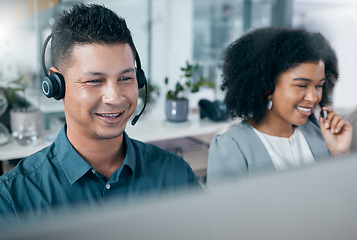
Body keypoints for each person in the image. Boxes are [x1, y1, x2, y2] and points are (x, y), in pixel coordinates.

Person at [0, 4, 200, 226]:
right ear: (56, 85)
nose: (115, 98)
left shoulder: (175, 175)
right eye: (95, 81)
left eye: (125, 78)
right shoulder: (13, 200)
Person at [207, 27, 353, 184]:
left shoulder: (320, 134)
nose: (313, 98)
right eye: (302, 85)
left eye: (319, 86)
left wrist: (339, 154)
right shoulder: (232, 146)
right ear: (267, 87)